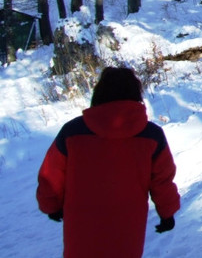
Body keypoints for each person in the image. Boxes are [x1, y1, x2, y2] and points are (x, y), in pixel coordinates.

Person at [37, 67, 181, 258]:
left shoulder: (73, 132)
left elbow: (51, 174)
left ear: (99, 93)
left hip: (81, 227)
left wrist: (51, 205)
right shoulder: (151, 135)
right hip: (128, 227)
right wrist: (167, 212)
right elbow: (162, 180)